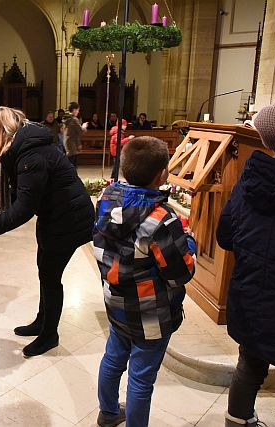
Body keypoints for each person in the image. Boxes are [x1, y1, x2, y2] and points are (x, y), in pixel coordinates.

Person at [0, 107, 94, 357]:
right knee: (45, 271)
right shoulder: (21, 148)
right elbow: (24, 189)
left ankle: (49, 335)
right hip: (54, 215)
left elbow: (24, 209)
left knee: (50, 275)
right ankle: (42, 321)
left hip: (69, 219)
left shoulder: (31, 156)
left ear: (5, 130)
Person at [93, 136, 196, 427]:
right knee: (140, 379)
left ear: (124, 168)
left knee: (113, 359)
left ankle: (108, 413)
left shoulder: (106, 201)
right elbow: (180, 273)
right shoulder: (161, 218)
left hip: (116, 300)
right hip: (150, 313)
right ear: (162, 174)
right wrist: (190, 245)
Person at [216, 94, 275, 427]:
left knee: (249, 368)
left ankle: (237, 421)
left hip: (251, 300)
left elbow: (225, 236)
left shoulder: (251, 178)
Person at [64, 102, 84, 167]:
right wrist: (84, 126)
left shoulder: (67, 118)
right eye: (78, 110)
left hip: (68, 142)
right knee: (72, 165)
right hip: (73, 144)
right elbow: (80, 131)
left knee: (70, 164)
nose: (78, 112)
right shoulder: (74, 119)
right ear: (74, 110)